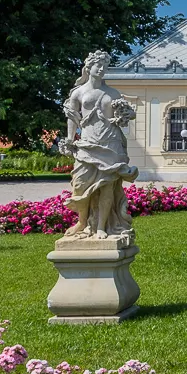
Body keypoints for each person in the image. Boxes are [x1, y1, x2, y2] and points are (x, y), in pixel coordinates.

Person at [61, 50, 138, 241]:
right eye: (99, 65)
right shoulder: (78, 92)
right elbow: (73, 117)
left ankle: (102, 226)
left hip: (111, 143)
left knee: (107, 187)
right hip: (87, 142)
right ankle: (82, 221)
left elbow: (121, 119)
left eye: (105, 66)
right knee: (80, 184)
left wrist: (125, 115)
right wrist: (70, 139)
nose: (102, 69)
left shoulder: (113, 93)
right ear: (89, 66)